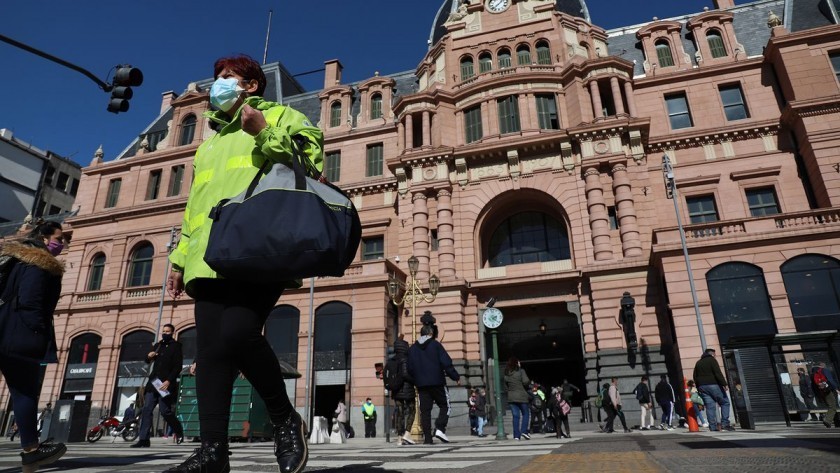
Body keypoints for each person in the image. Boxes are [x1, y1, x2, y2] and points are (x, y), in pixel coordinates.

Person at [164, 54, 322, 473]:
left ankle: (285, 417)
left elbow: (309, 167)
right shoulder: (210, 142)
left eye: (227, 76)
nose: (218, 82)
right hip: (206, 257)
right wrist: (179, 261)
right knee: (212, 352)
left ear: (251, 85)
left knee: (237, 333)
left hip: (260, 247)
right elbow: (194, 207)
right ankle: (213, 452)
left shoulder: (284, 114)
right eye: (216, 76)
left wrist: (264, 131)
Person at [0, 221, 67, 469]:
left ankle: (32, 450)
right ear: (44, 237)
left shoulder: (16, 259)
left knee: (22, 391)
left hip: (6, 328)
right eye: (59, 239)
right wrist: (39, 331)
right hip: (18, 334)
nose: (62, 243)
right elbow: (30, 301)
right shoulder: (39, 264)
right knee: (24, 391)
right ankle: (31, 450)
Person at [131, 323, 184, 448]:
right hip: (153, 382)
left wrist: (169, 381)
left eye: (167, 331)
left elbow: (178, 366)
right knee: (146, 409)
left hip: (165, 384)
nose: (165, 333)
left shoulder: (176, 346)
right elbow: (147, 360)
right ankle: (143, 439)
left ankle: (178, 430)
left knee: (165, 411)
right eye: (163, 331)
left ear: (172, 333)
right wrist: (148, 357)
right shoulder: (158, 345)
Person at [407, 323, 461, 444]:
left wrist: (416, 380)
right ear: (430, 334)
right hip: (437, 382)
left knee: (425, 411)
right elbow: (446, 363)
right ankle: (440, 428)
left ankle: (428, 438)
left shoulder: (412, 349)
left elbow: (409, 368)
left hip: (421, 385)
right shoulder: (436, 345)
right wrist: (455, 376)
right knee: (445, 405)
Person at [693, 348, 734, 432]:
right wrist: (724, 384)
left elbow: (695, 376)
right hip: (713, 385)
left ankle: (712, 427)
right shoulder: (712, 360)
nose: (715, 356)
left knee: (710, 406)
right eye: (715, 355)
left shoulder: (698, 363)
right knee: (725, 402)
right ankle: (725, 424)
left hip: (702, 387)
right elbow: (717, 372)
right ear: (712, 354)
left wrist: (698, 387)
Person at [389, 338, 416, 445]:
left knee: (399, 414)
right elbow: (405, 374)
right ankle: (407, 433)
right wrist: (414, 381)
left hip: (396, 391)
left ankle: (399, 438)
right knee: (412, 410)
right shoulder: (405, 359)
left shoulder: (392, 360)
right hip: (407, 390)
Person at [503, 357, 531, 440]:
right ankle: (524, 431)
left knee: (515, 416)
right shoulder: (521, 371)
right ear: (516, 363)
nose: (520, 364)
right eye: (519, 363)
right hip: (522, 396)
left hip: (511, 397)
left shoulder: (506, 374)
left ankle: (516, 435)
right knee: (525, 414)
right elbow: (526, 381)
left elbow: (505, 387)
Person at [812, 362, 839, 428]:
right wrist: (836, 388)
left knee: (831, 406)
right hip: (828, 390)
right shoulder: (824, 370)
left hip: (822, 391)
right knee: (832, 406)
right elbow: (830, 380)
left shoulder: (814, 373)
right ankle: (827, 420)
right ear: (823, 366)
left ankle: (834, 422)